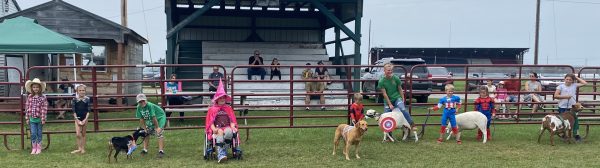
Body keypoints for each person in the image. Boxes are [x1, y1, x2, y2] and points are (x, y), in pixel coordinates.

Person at [205, 78, 238, 163]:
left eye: (224, 97)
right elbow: (210, 122)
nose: (222, 99)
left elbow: (231, 120)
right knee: (219, 131)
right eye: (220, 98)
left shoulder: (228, 108)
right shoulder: (212, 109)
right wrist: (213, 129)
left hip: (226, 127)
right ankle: (221, 154)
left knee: (229, 132)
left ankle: (224, 151)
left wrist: (233, 126)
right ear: (217, 99)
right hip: (217, 128)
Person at [377, 63, 415, 128]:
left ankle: (411, 124)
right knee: (387, 116)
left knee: (402, 109)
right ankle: (389, 134)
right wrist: (390, 104)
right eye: (388, 70)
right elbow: (384, 94)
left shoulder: (396, 78)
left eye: (391, 70)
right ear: (384, 70)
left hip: (397, 98)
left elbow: (400, 89)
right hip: (388, 100)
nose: (390, 72)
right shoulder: (381, 81)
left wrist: (403, 98)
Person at [554, 73, 587, 142]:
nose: (568, 81)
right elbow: (556, 96)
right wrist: (565, 97)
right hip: (562, 107)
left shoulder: (574, 85)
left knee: (575, 121)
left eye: (570, 80)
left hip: (573, 108)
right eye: (567, 79)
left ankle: (576, 135)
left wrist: (576, 77)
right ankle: (564, 135)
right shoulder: (560, 87)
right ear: (564, 79)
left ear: (572, 81)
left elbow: (585, 83)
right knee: (563, 122)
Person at [135, 93, 167, 158]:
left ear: (146, 100)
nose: (142, 103)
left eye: (143, 101)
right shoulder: (138, 107)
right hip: (150, 119)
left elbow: (154, 117)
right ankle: (145, 150)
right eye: (140, 102)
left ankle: (161, 151)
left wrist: (157, 127)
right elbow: (141, 119)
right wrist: (145, 129)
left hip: (159, 117)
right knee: (146, 133)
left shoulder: (150, 105)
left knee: (159, 133)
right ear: (138, 102)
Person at [25, 78, 48, 155]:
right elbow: (27, 107)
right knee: (33, 133)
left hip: (39, 119)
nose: (36, 89)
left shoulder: (43, 97)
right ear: (32, 88)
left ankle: (39, 148)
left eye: (37, 87)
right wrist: (27, 118)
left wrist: (43, 118)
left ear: (40, 88)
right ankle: (34, 147)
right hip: (32, 119)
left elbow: (44, 108)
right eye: (34, 87)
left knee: (39, 133)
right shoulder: (30, 97)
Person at [70, 84, 91, 154]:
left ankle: (83, 148)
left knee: (83, 133)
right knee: (78, 134)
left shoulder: (87, 99)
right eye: (80, 90)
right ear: (77, 91)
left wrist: (85, 119)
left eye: (83, 90)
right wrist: (77, 120)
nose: (82, 92)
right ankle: (79, 148)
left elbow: (88, 111)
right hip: (77, 118)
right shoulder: (74, 99)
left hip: (85, 118)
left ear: (85, 91)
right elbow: (74, 111)